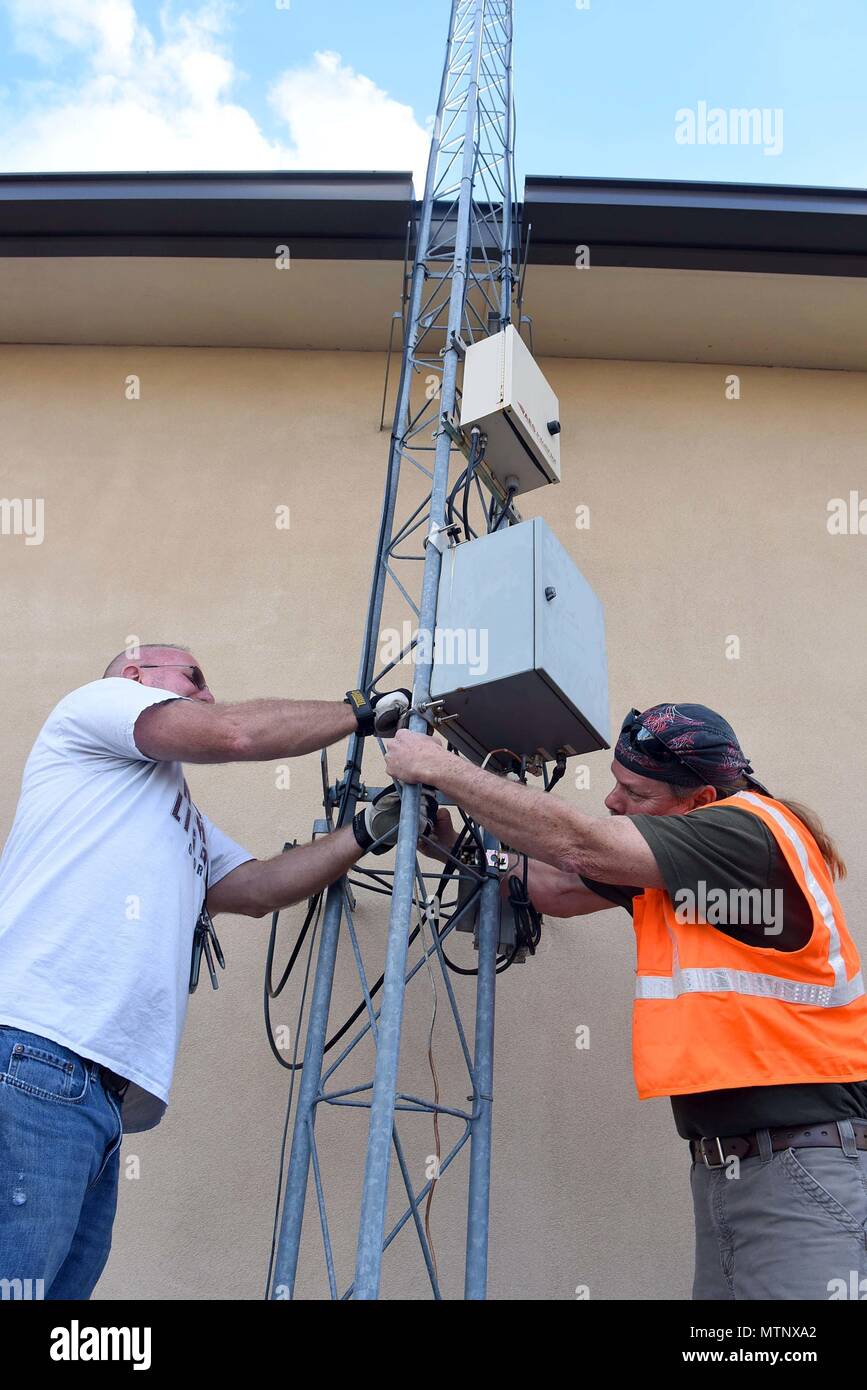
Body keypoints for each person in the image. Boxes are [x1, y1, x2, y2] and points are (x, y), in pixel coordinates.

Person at [387, 702, 867, 1300]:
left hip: (800, 1166)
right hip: (734, 1168)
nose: (613, 801)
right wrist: (445, 843)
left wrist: (440, 769)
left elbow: (580, 846)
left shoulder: (747, 832)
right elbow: (558, 884)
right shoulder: (687, 863)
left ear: (700, 800)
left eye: (633, 791)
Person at [0, 643, 427, 1300]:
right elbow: (234, 732)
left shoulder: (174, 816)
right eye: (192, 680)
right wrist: (361, 713)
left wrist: (368, 830)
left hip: (93, 1095)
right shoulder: (96, 707)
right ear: (137, 676)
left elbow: (255, 889)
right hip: (36, 1054)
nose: (205, 695)